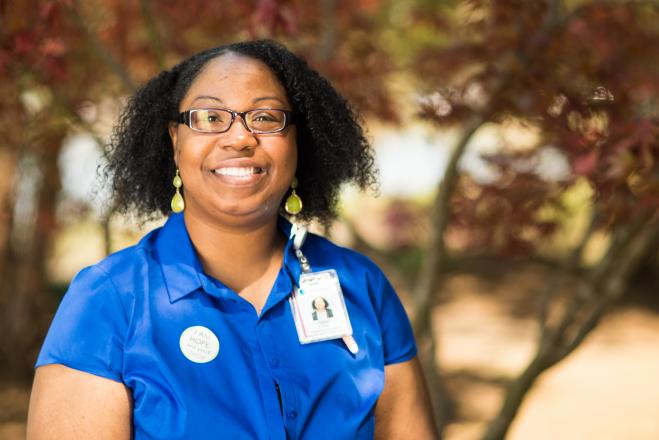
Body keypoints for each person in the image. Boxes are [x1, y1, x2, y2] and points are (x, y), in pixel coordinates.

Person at [26, 39, 438, 439]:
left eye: (265, 118)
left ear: (297, 142)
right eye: (209, 117)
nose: (240, 138)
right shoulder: (110, 300)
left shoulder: (360, 286)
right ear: (175, 141)